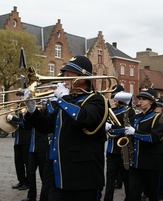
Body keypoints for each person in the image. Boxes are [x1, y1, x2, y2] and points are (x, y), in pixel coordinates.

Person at [24, 55, 108, 201]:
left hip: (83, 177)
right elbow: (47, 126)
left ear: (82, 78)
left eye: (69, 76)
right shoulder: (67, 100)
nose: (64, 80)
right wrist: (32, 110)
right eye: (64, 75)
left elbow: (82, 118)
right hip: (59, 175)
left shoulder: (96, 100)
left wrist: (63, 98)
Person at [124, 87, 163, 201]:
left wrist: (135, 132)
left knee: (152, 195)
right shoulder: (137, 117)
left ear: (151, 102)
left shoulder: (158, 118)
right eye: (140, 99)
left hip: (151, 164)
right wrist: (111, 128)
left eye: (143, 99)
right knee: (132, 193)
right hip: (136, 164)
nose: (140, 101)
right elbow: (126, 129)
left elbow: (154, 138)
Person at [104, 85, 135, 201]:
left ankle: (129, 198)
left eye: (115, 98)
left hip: (123, 149)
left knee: (126, 177)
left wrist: (111, 127)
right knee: (110, 177)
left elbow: (128, 128)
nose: (114, 100)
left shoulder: (129, 111)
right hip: (111, 149)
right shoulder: (112, 111)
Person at [21, 102, 49, 201]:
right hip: (32, 147)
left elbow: (47, 123)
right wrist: (27, 113)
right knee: (30, 172)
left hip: (42, 147)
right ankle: (31, 196)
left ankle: (45, 197)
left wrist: (43, 108)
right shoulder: (32, 114)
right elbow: (27, 127)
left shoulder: (45, 112)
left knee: (43, 174)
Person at [8, 93, 31, 191]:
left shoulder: (28, 109)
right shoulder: (18, 108)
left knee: (27, 163)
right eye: (17, 95)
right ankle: (21, 181)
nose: (19, 97)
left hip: (26, 139)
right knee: (18, 162)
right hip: (18, 139)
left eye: (20, 95)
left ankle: (28, 182)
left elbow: (24, 123)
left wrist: (12, 119)